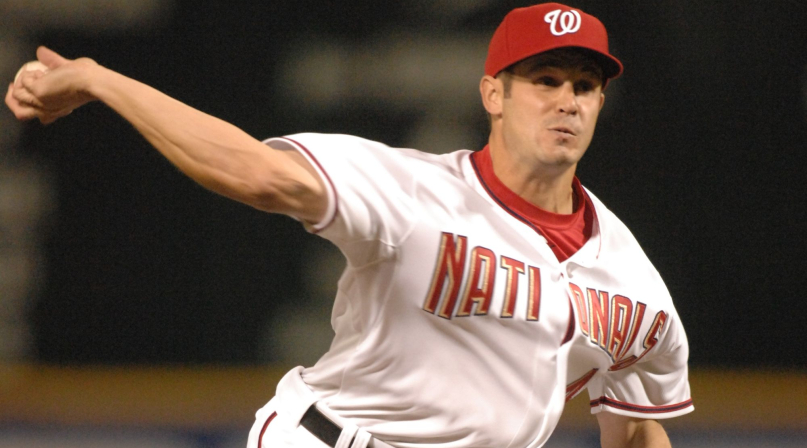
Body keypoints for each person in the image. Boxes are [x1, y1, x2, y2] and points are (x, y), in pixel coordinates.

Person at [5, 3, 693, 447]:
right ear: (494, 93)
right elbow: (257, 174)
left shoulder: (630, 280)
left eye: (584, 85)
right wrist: (101, 81)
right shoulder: (411, 190)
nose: (566, 101)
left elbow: (634, 426)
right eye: (544, 80)